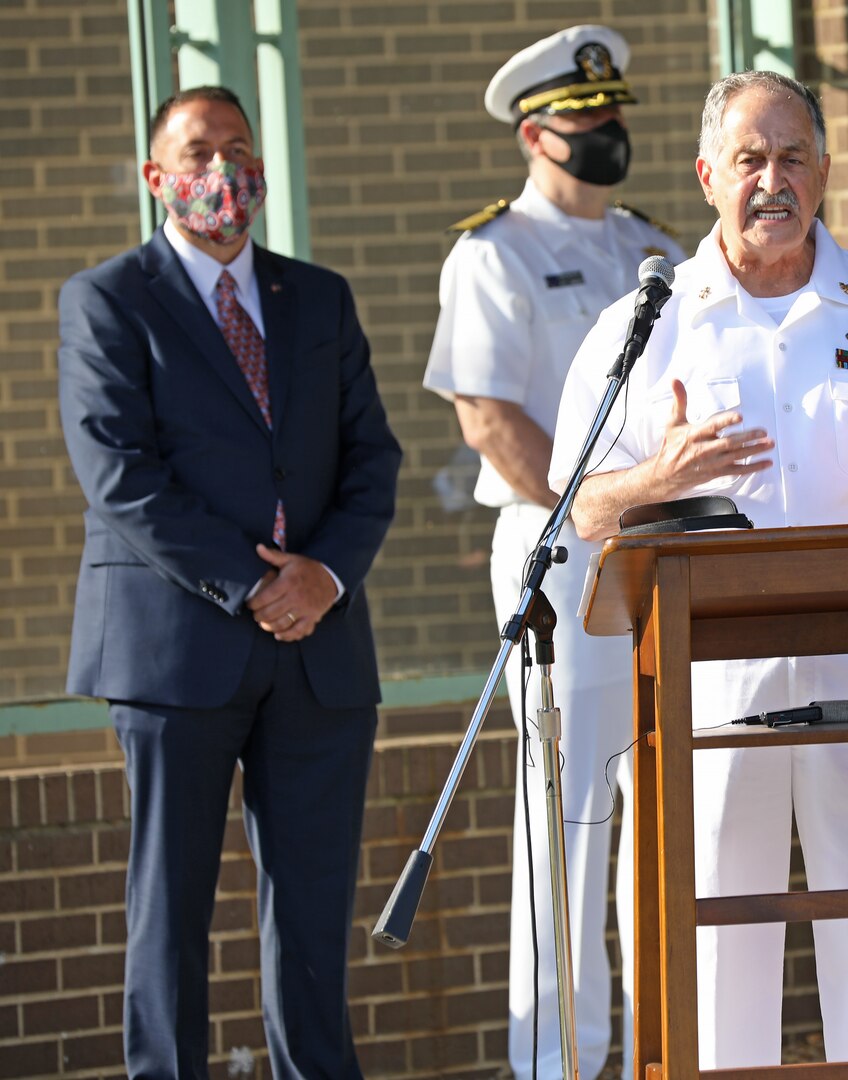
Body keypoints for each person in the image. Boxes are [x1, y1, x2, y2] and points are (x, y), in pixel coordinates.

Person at [547, 70, 848, 1069]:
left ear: (826, 173)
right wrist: (657, 477)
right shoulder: (652, 322)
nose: (772, 179)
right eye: (750, 159)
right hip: (709, 686)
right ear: (709, 174)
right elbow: (578, 508)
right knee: (711, 941)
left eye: (793, 157)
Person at [57, 86, 401, 1076]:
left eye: (240, 149)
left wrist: (325, 576)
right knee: (170, 912)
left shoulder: (319, 298)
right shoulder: (109, 298)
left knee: (312, 912)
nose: (224, 171)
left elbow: (371, 460)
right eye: (199, 152)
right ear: (155, 178)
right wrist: (253, 587)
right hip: (177, 653)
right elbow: (120, 473)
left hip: (318, 656)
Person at [420, 25, 684, 1080]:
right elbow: (490, 421)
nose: (608, 130)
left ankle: (659, 1051)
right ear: (536, 133)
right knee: (568, 817)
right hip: (561, 558)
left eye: (614, 111)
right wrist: (600, 507)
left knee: (661, 806)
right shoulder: (493, 253)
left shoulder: (653, 248)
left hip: (665, 553)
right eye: (587, 118)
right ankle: (560, 1064)